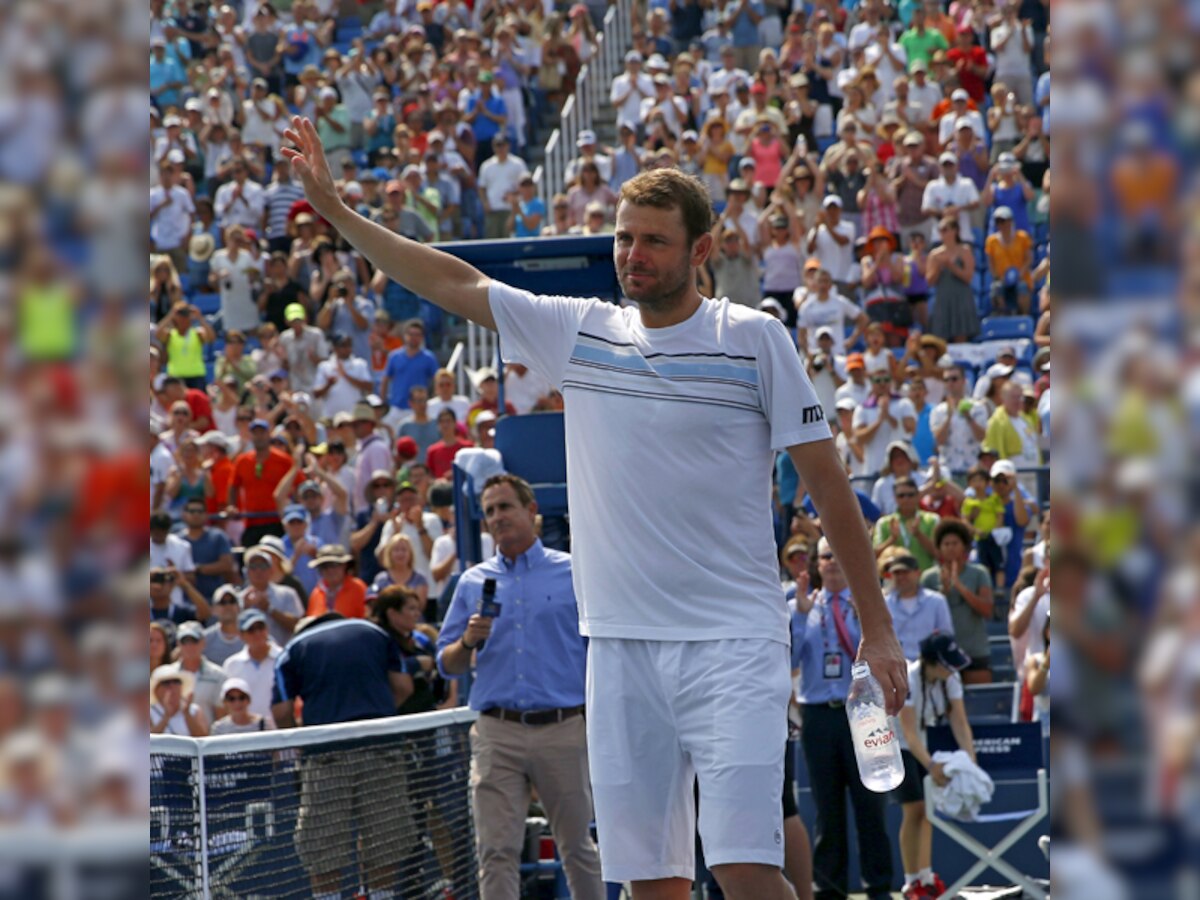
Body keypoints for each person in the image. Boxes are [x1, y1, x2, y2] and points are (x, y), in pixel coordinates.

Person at [283, 122, 906, 899]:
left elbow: (827, 484)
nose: (632, 256)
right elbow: (451, 281)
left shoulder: (754, 338)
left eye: (653, 241)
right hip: (617, 649)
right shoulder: (581, 332)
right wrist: (338, 213)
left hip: (734, 643)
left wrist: (878, 630)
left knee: (746, 870)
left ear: (701, 251)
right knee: (651, 884)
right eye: (623, 238)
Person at [438, 475, 604, 900]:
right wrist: (468, 640)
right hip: (497, 730)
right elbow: (447, 664)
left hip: (563, 727)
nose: (496, 517)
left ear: (532, 511)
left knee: (578, 849)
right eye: (489, 511)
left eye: (505, 507)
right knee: (494, 851)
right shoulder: (472, 581)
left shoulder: (573, 571)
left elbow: (600, 649)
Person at [271, 612, 417, 900]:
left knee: (322, 847)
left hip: (326, 755)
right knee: (385, 841)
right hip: (382, 747)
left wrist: (305, 740)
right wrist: (378, 718)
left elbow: (282, 712)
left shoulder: (292, 650)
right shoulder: (375, 633)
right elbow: (404, 688)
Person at [792, 537, 893, 900]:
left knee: (872, 804)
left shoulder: (866, 604)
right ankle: (829, 889)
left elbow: (872, 656)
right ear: (816, 565)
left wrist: (860, 615)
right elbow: (788, 663)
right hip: (819, 715)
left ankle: (878, 887)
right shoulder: (803, 606)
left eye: (837, 554)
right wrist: (801, 617)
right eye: (825, 556)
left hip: (863, 713)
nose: (833, 561)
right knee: (826, 807)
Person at [895, 633, 977, 900]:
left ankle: (926, 878)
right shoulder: (909, 677)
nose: (952, 669)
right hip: (897, 747)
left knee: (928, 812)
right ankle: (911, 884)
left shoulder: (950, 679)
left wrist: (971, 762)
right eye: (946, 664)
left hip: (924, 745)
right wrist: (931, 765)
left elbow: (960, 723)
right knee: (915, 809)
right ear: (931, 663)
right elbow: (908, 733)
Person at [920, 519, 995, 684]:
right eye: (945, 544)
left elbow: (987, 610)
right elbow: (924, 614)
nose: (950, 547)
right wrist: (943, 592)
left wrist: (960, 586)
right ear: (939, 547)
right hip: (940, 653)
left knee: (979, 702)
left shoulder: (979, 573)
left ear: (965, 546)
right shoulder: (929, 577)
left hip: (974, 649)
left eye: (955, 543)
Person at [227, 418, 293, 544]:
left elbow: (298, 483)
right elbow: (233, 485)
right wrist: (232, 506)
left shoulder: (284, 460)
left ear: (269, 434)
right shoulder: (242, 461)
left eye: (262, 432)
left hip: (277, 521)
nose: (259, 436)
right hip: (251, 522)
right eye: (255, 433)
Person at [883, 554, 954, 660]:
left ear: (918, 573)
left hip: (929, 665)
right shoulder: (884, 604)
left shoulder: (936, 601)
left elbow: (946, 635)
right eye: (897, 573)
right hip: (896, 666)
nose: (901, 577)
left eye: (905, 572)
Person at [222, 608, 283, 726]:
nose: (257, 633)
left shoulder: (283, 659)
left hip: (280, 731)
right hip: (246, 735)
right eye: (251, 630)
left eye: (260, 628)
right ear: (240, 635)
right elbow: (227, 703)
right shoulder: (232, 664)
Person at [161, 621, 229, 724]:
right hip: (173, 738)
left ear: (203, 643)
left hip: (208, 738)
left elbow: (221, 716)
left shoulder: (218, 676)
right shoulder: (166, 675)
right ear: (178, 644)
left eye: (194, 641)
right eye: (185, 641)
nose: (189, 646)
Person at [238, 544, 305, 647]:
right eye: (253, 567)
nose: (258, 571)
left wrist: (269, 609)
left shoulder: (287, 594)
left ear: (271, 570)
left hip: (283, 654)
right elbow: (229, 631)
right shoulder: (238, 598)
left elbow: (297, 626)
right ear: (246, 571)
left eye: (263, 566)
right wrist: (244, 608)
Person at [926, 217, 978, 343]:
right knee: (940, 336)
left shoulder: (965, 250)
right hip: (943, 298)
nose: (942, 233)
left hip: (961, 297)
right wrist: (939, 267)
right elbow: (930, 281)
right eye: (940, 230)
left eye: (945, 229)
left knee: (961, 334)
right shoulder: (934, 254)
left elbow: (968, 277)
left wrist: (951, 266)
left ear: (955, 231)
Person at [873, 476, 940, 572]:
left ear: (918, 495)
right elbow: (874, 556)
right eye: (901, 495)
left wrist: (919, 535)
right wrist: (892, 539)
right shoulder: (884, 523)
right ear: (895, 498)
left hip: (925, 579)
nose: (906, 499)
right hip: (893, 580)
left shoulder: (932, 519)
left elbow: (939, 554)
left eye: (910, 495)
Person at [149, 666, 209, 736]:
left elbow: (203, 737)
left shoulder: (194, 710)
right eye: (166, 683)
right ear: (156, 690)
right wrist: (166, 717)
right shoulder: (148, 712)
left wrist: (187, 714)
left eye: (176, 681)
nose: (172, 686)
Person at [210, 676, 276, 734]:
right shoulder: (218, 729)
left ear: (249, 700)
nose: (237, 703)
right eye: (231, 699)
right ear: (224, 702)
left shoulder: (264, 724)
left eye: (242, 697)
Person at [203, 585, 245, 666]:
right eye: (222, 602)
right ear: (213, 609)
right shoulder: (205, 639)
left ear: (239, 607)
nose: (228, 606)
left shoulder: (253, 634)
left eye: (232, 601)